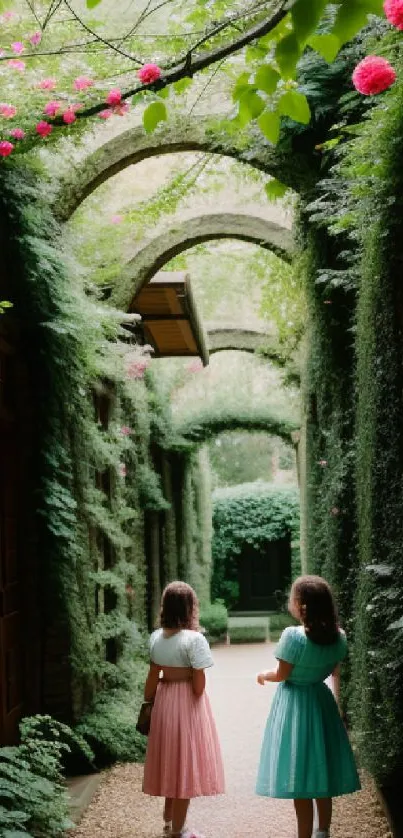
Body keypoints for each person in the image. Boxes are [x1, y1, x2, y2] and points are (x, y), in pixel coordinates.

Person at [255, 575, 360, 838]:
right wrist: (338, 707)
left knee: (298, 774)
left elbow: (282, 674)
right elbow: (335, 674)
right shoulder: (339, 637)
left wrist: (263, 675)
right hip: (321, 703)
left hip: (294, 706)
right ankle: (322, 831)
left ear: (301, 605)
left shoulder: (293, 637)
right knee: (321, 771)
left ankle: (303, 834)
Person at [142, 580, 225, 838]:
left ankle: (168, 821)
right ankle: (179, 830)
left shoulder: (156, 638)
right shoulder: (195, 639)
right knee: (186, 762)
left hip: (164, 702)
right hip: (187, 703)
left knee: (169, 759)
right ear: (191, 608)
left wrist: (151, 701)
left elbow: (151, 681)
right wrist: (188, 674)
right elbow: (199, 687)